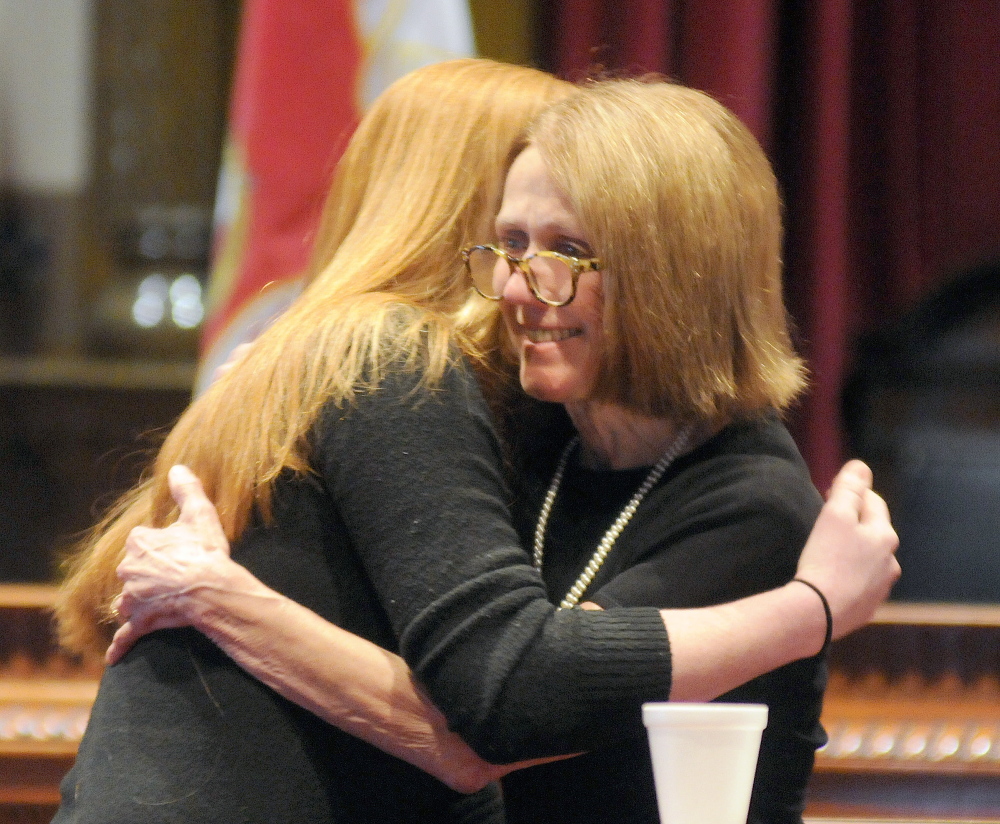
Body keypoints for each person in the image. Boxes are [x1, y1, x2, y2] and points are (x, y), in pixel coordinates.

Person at [55, 64, 900, 824]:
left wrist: (224, 599)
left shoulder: (749, 498)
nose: (516, 287)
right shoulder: (528, 431)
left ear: (673, 272)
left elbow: (505, 708)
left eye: (568, 250)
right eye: (511, 244)